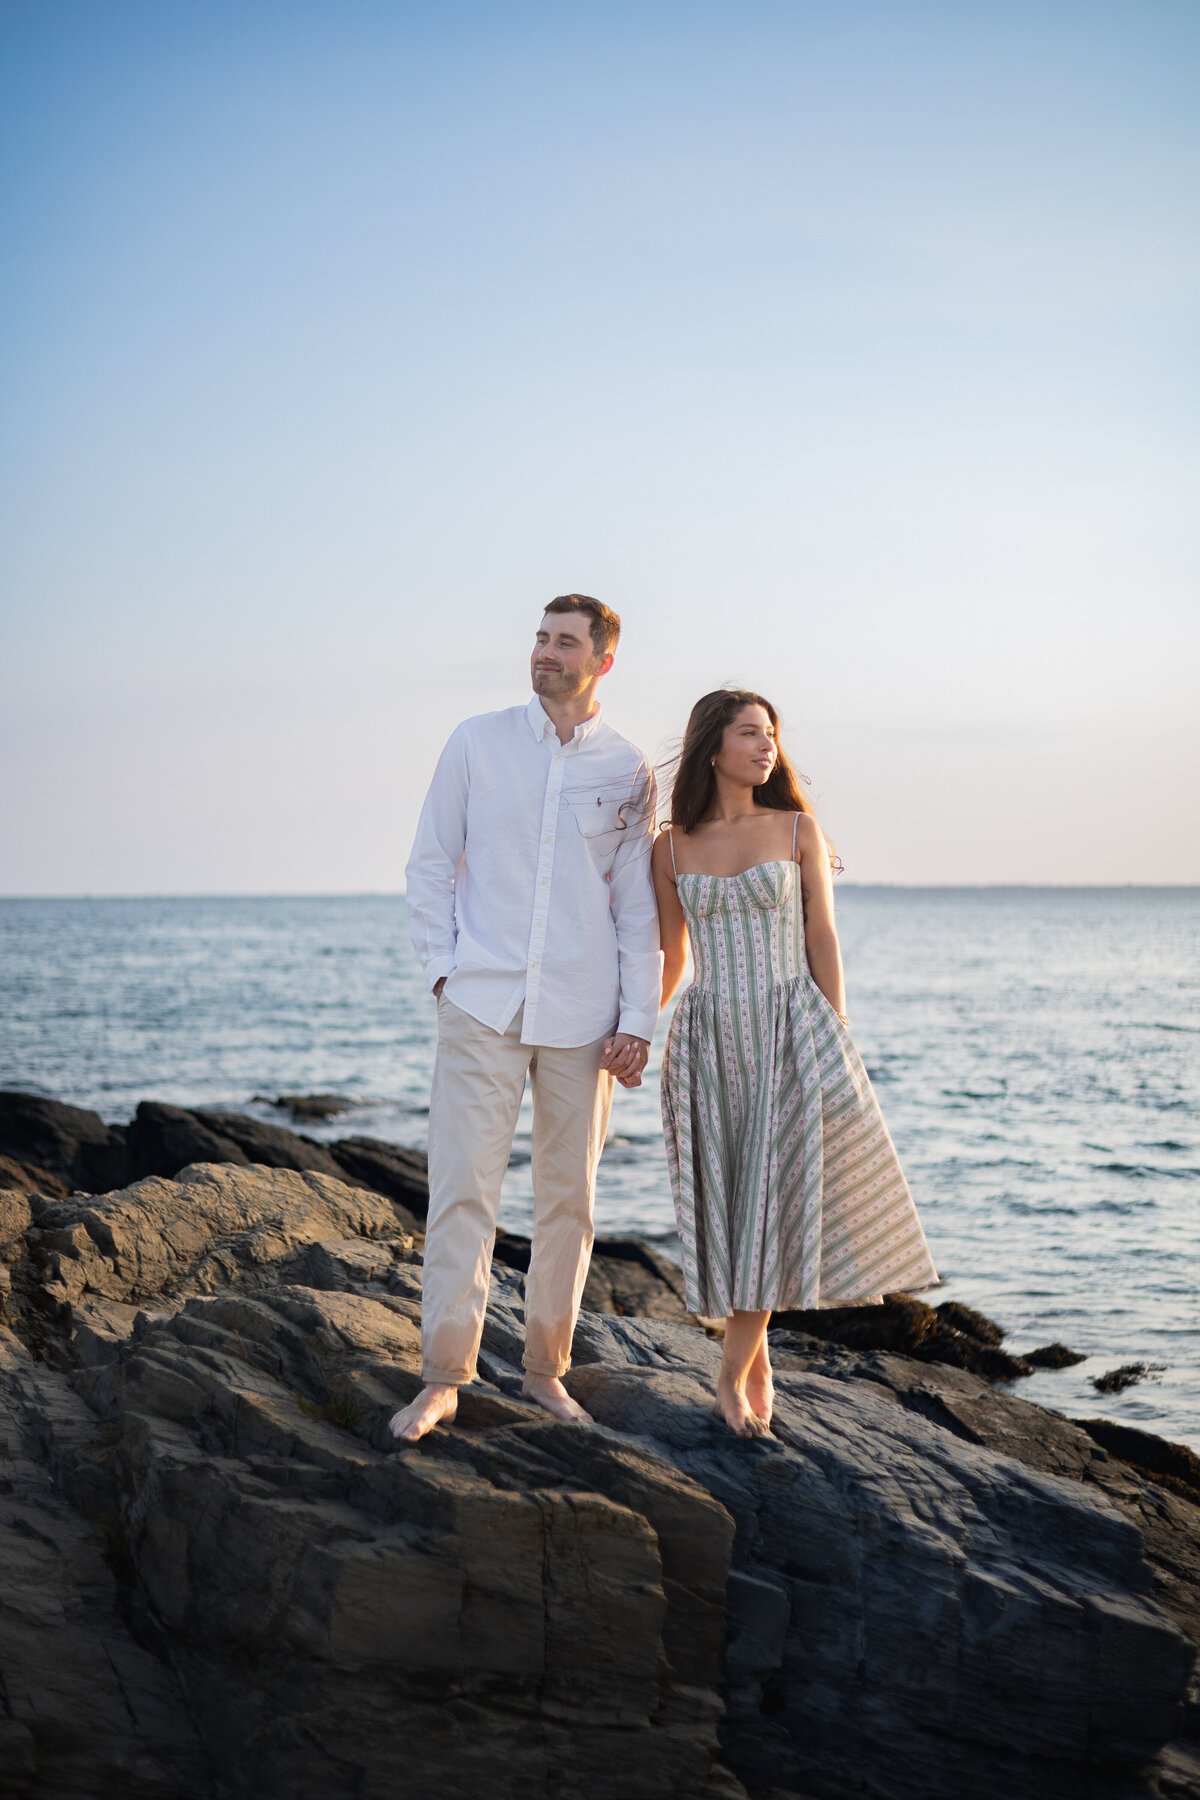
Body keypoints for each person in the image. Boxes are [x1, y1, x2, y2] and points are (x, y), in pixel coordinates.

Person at [390, 595, 662, 1443]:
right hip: (482, 1001)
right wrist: (443, 968)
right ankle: (444, 1377)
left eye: (564, 642)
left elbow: (636, 907)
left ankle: (545, 1371)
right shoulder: (476, 741)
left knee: (568, 1202)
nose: (545, 652)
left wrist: (640, 1018)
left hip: (585, 1015)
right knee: (463, 1189)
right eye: (540, 638)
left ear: (602, 661)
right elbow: (431, 861)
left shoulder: (629, 770)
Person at [652, 688, 938, 1438]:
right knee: (735, 1203)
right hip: (710, 1038)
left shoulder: (798, 829)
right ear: (712, 747)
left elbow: (822, 941)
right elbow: (673, 957)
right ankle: (758, 1359)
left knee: (775, 1203)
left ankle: (727, 1375)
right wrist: (629, 1031)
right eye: (750, 733)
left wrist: (835, 1026)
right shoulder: (670, 846)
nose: (766, 746)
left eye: (771, 734)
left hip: (791, 1030)